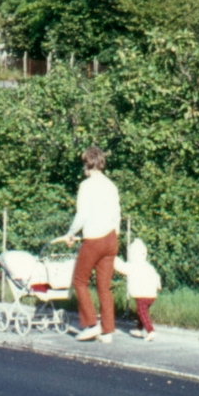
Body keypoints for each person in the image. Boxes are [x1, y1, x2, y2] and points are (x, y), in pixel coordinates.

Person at [63, 146, 120, 343]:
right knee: (104, 287)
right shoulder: (111, 185)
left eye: (83, 165)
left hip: (94, 239)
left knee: (79, 281)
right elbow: (117, 214)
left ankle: (90, 324)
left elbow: (82, 215)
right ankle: (107, 330)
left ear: (88, 164)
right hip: (111, 238)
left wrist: (70, 233)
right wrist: (114, 234)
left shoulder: (86, 186)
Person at [114, 237, 162, 341]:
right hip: (151, 294)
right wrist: (158, 285)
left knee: (141, 312)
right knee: (143, 311)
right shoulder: (148, 266)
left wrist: (114, 260)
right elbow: (156, 276)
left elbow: (122, 267)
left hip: (142, 294)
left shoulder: (132, 266)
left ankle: (150, 330)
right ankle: (139, 328)